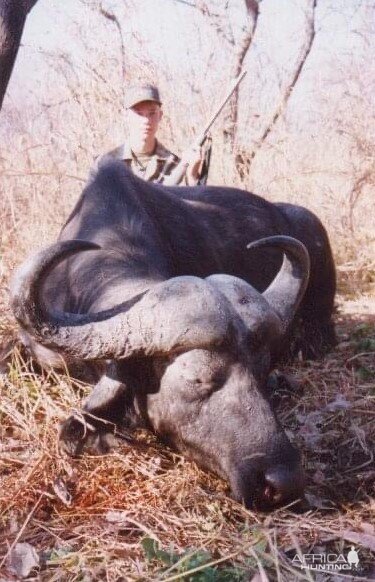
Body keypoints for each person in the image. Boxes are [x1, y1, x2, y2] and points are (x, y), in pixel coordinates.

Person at [97, 84, 204, 185]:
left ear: (160, 115)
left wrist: (191, 177)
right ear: (126, 116)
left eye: (152, 113)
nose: (146, 120)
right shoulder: (106, 165)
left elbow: (185, 202)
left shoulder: (174, 165)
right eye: (139, 113)